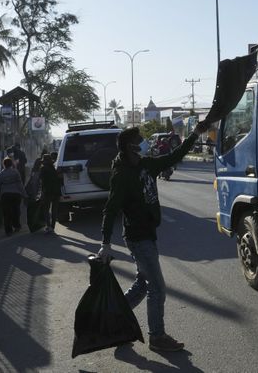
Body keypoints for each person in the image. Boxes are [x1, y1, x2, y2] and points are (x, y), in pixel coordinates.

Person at [97, 118, 211, 353]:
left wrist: (193, 135)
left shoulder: (147, 164)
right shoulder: (122, 175)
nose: (146, 143)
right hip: (137, 237)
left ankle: (115, 318)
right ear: (131, 146)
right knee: (157, 287)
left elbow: (173, 157)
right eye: (140, 141)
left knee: (142, 284)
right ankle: (157, 337)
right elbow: (110, 209)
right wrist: (105, 243)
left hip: (148, 233)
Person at [0, 157, 26, 236]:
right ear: (11, 164)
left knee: (6, 213)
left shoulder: (0, 174)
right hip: (15, 195)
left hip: (5, 195)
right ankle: (16, 226)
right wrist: (24, 194)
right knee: (16, 211)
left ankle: (8, 230)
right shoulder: (15, 172)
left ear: (4, 164)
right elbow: (20, 184)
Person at [39, 154, 62, 233]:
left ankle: (48, 226)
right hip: (57, 192)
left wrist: (41, 192)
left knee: (46, 209)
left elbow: (42, 181)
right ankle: (53, 226)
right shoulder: (54, 168)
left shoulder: (43, 169)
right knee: (54, 209)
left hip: (48, 192)